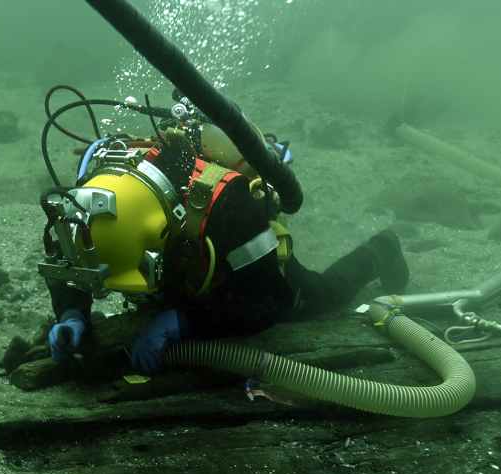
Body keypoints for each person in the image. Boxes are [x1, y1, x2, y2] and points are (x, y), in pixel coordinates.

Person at [37, 101, 409, 374]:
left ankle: (380, 250)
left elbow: (269, 301)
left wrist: (185, 322)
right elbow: (68, 262)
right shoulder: (87, 204)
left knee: (317, 297)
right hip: (185, 268)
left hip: (236, 272)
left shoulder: (231, 205)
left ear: (159, 235)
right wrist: (72, 313)